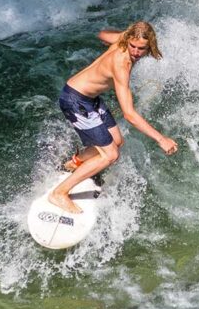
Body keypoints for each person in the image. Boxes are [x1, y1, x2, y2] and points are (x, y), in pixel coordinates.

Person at [52, 22, 178, 214]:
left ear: (150, 44)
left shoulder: (123, 38)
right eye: (132, 46)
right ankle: (59, 193)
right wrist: (161, 139)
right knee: (110, 155)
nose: (135, 52)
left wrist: (123, 35)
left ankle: (74, 163)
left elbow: (102, 34)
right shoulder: (122, 65)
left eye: (141, 48)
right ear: (129, 40)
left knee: (117, 141)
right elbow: (129, 114)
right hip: (75, 100)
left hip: (89, 98)